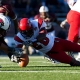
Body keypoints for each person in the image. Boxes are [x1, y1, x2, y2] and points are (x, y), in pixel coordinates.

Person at [14, 17, 80, 66]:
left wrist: (32, 42)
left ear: (31, 26)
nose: (27, 33)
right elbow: (18, 51)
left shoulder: (37, 23)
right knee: (74, 63)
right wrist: (18, 56)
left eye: (28, 31)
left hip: (57, 42)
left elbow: (43, 36)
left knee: (78, 47)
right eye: (24, 32)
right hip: (53, 53)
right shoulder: (18, 38)